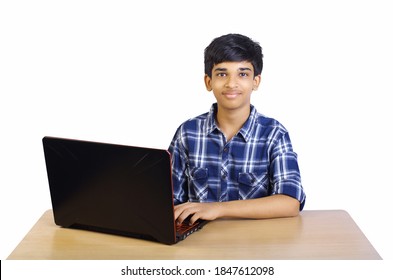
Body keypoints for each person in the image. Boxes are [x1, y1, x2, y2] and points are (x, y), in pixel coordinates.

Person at [168, 33, 306, 225]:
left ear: (255, 81)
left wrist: (218, 209)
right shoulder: (187, 133)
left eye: (242, 74)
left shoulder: (274, 134)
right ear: (208, 82)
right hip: (200, 244)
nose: (231, 83)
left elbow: (290, 202)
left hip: (255, 245)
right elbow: (168, 200)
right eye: (222, 74)